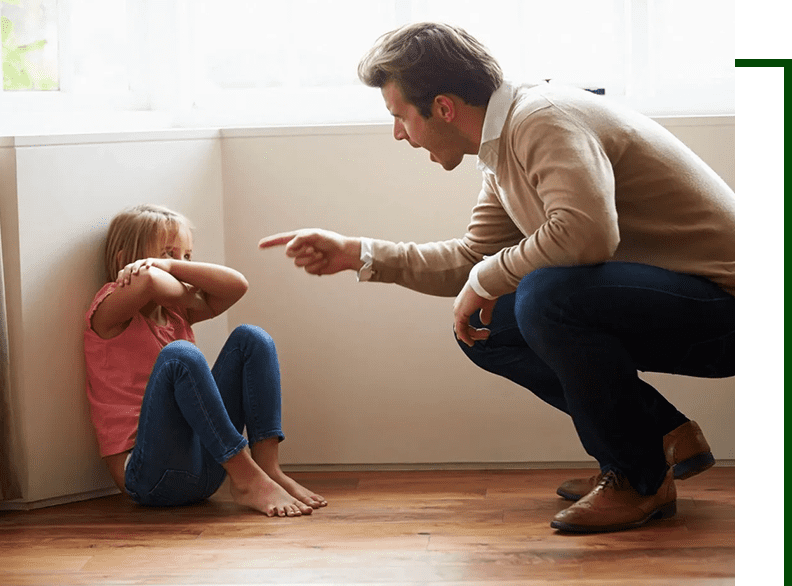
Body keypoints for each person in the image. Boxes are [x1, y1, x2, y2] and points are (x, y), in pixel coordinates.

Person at [258, 23, 734, 533]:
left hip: (732, 308)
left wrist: (488, 276)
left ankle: (638, 478)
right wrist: (359, 254)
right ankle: (654, 441)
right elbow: (474, 258)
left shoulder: (542, 119)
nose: (398, 133)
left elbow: (585, 235)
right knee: (487, 327)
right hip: (683, 305)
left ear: (442, 107)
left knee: (545, 296)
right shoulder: (500, 146)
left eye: (399, 117)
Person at [84, 204, 327, 517]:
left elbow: (237, 284)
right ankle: (248, 478)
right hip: (149, 478)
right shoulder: (108, 311)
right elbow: (148, 283)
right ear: (124, 261)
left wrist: (168, 267)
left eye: (186, 257)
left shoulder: (176, 313)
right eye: (166, 254)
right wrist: (181, 288)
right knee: (180, 355)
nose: (179, 264)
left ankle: (266, 471)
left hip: (206, 471)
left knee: (253, 339)